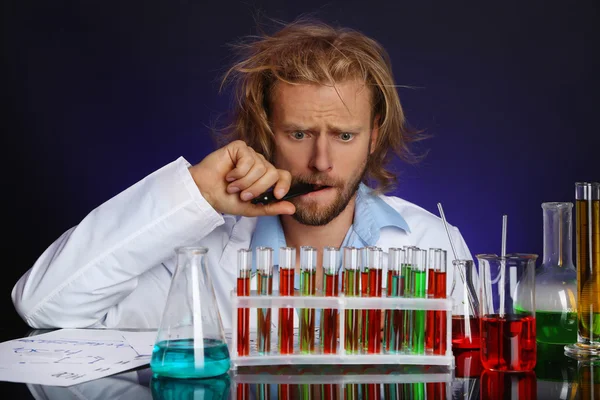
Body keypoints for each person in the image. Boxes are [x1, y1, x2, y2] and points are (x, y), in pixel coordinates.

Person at [12, 20, 472, 331]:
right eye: (298, 132)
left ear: (374, 137)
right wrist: (194, 192)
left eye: (345, 136)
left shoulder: (437, 247)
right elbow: (43, 305)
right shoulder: (201, 256)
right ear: (264, 133)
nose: (322, 161)